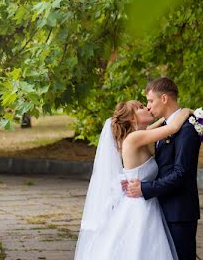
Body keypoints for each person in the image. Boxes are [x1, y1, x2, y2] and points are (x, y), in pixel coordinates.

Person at [74, 99, 192, 260]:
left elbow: (155, 126)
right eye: (141, 107)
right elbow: (173, 127)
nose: (147, 108)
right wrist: (187, 111)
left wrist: (165, 117)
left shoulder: (138, 135)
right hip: (138, 206)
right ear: (132, 118)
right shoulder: (134, 139)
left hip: (146, 201)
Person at [123, 77, 200, 260]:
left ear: (164, 99)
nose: (148, 106)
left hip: (179, 212)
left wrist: (145, 188)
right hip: (160, 209)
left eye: (150, 101)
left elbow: (181, 173)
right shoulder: (166, 128)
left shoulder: (187, 129)